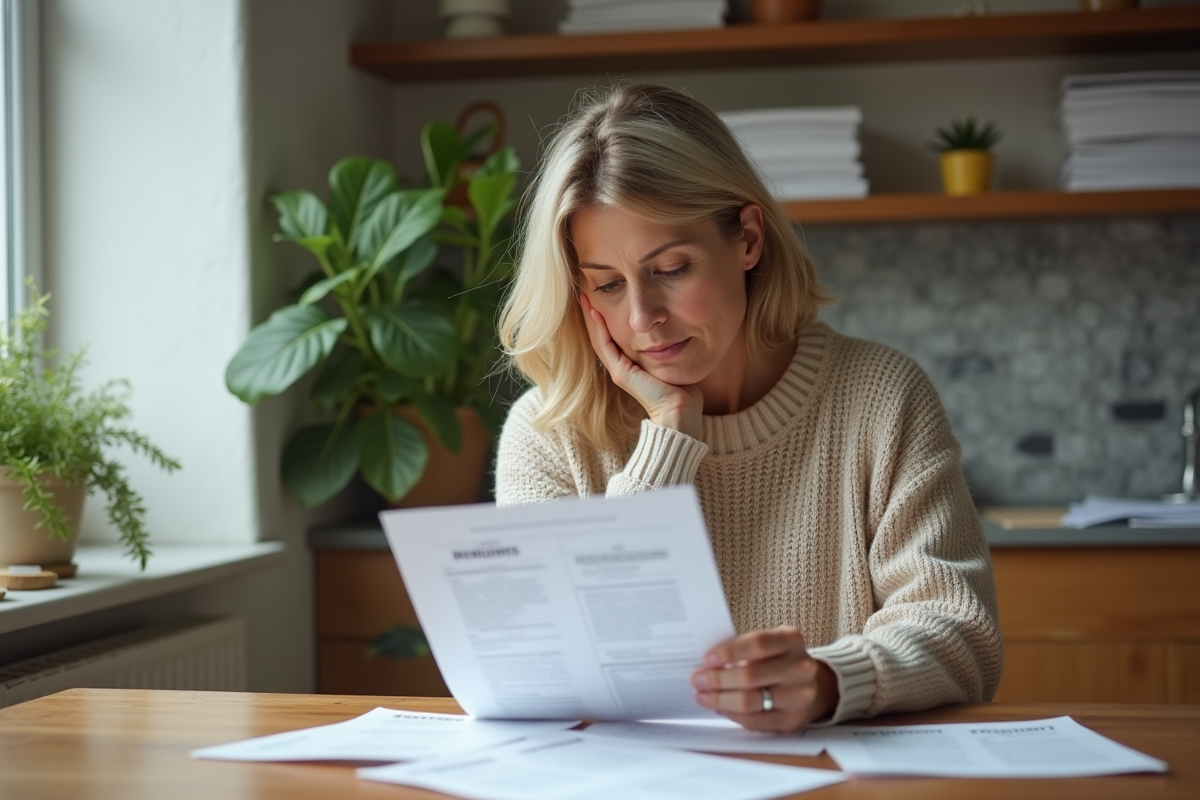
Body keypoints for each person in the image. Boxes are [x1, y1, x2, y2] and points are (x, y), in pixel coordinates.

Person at [494, 83, 1002, 732]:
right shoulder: (550, 431)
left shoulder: (882, 396)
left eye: (671, 268)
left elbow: (963, 632)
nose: (643, 317)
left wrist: (829, 680)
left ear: (749, 240)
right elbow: (563, 661)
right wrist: (668, 438)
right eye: (608, 285)